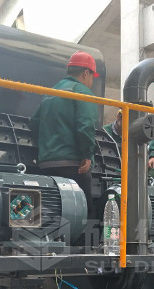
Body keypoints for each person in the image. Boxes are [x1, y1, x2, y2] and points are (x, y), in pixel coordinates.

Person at [31, 51, 99, 216]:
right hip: (72, 166)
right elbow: (85, 126)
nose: (91, 82)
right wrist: (87, 155)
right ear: (85, 73)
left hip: (46, 165)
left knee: (49, 213)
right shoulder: (83, 92)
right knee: (84, 214)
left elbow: (34, 122)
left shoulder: (51, 92)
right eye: (92, 77)